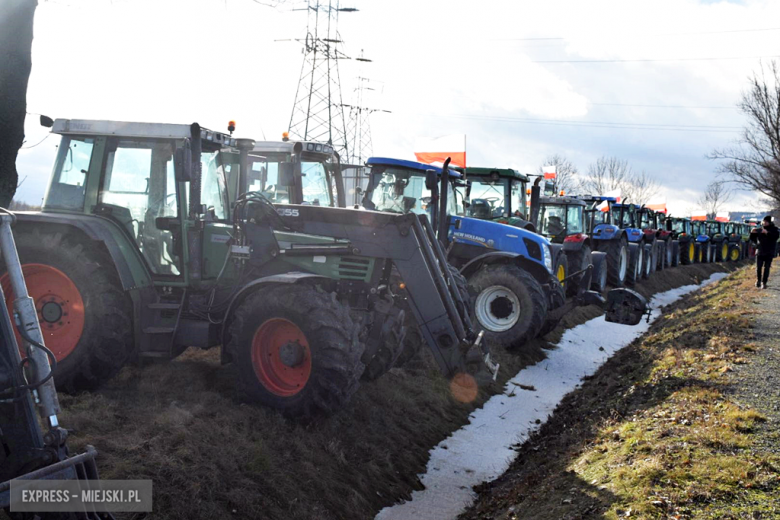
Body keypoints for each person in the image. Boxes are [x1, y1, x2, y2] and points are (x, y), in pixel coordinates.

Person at [750, 215, 780, 289]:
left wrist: (767, 233)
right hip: (760, 251)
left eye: (766, 222)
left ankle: (764, 282)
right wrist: (752, 233)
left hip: (769, 252)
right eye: (764, 222)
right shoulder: (760, 229)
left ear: (770, 222)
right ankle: (758, 281)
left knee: (767, 268)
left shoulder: (774, 229)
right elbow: (753, 239)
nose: (765, 223)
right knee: (758, 267)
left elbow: (775, 237)